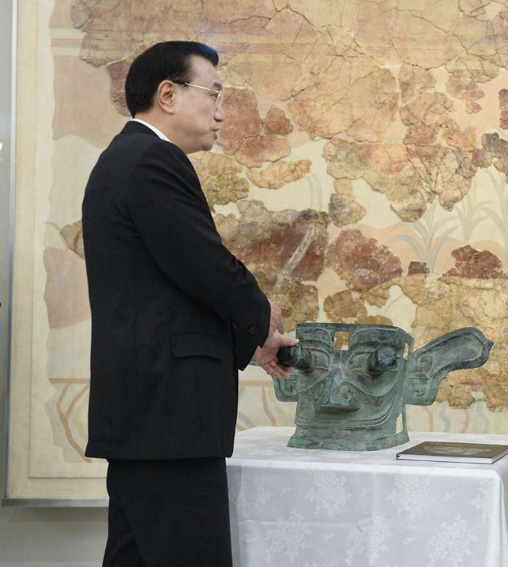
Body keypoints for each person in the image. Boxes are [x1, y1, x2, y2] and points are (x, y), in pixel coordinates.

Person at [82, 41, 296, 566]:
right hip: (168, 415)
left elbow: (173, 284)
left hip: (147, 413)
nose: (220, 113)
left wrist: (251, 339)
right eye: (214, 94)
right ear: (168, 94)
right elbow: (204, 264)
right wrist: (262, 318)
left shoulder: (126, 159)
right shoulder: (151, 159)